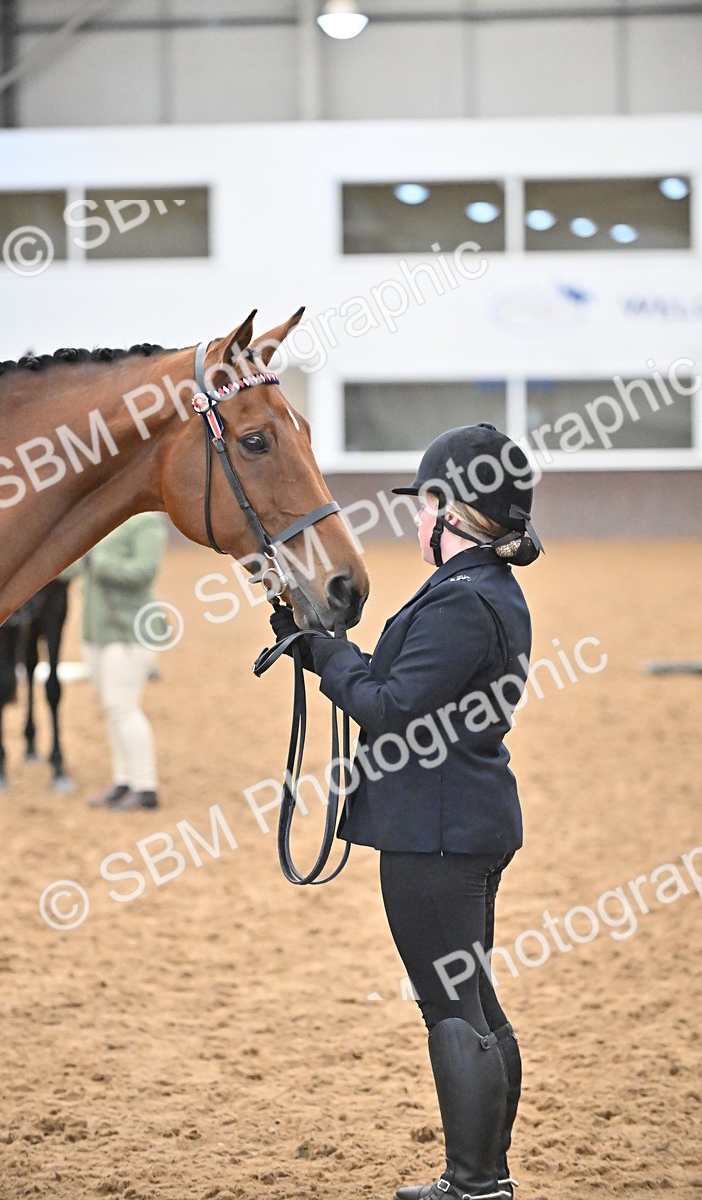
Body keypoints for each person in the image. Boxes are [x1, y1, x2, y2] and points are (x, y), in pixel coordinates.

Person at [270, 423, 543, 1200]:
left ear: (453, 512)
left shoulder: (465, 602)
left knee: (452, 1008)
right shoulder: (476, 590)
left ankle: (473, 1182)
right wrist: (317, 643)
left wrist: (326, 656)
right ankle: (487, 1175)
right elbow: (399, 683)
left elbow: (389, 708)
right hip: (461, 822)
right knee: (476, 1000)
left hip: (437, 831)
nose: (419, 520)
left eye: (426, 505)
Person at [62, 513, 166, 812]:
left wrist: (98, 563)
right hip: (97, 634)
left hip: (130, 631)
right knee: (113, 710)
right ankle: (124, 782)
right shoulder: (98, 520)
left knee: (123, 707)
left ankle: (146, 788)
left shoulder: (145, 522)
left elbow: (145, 571)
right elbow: (69, 570)